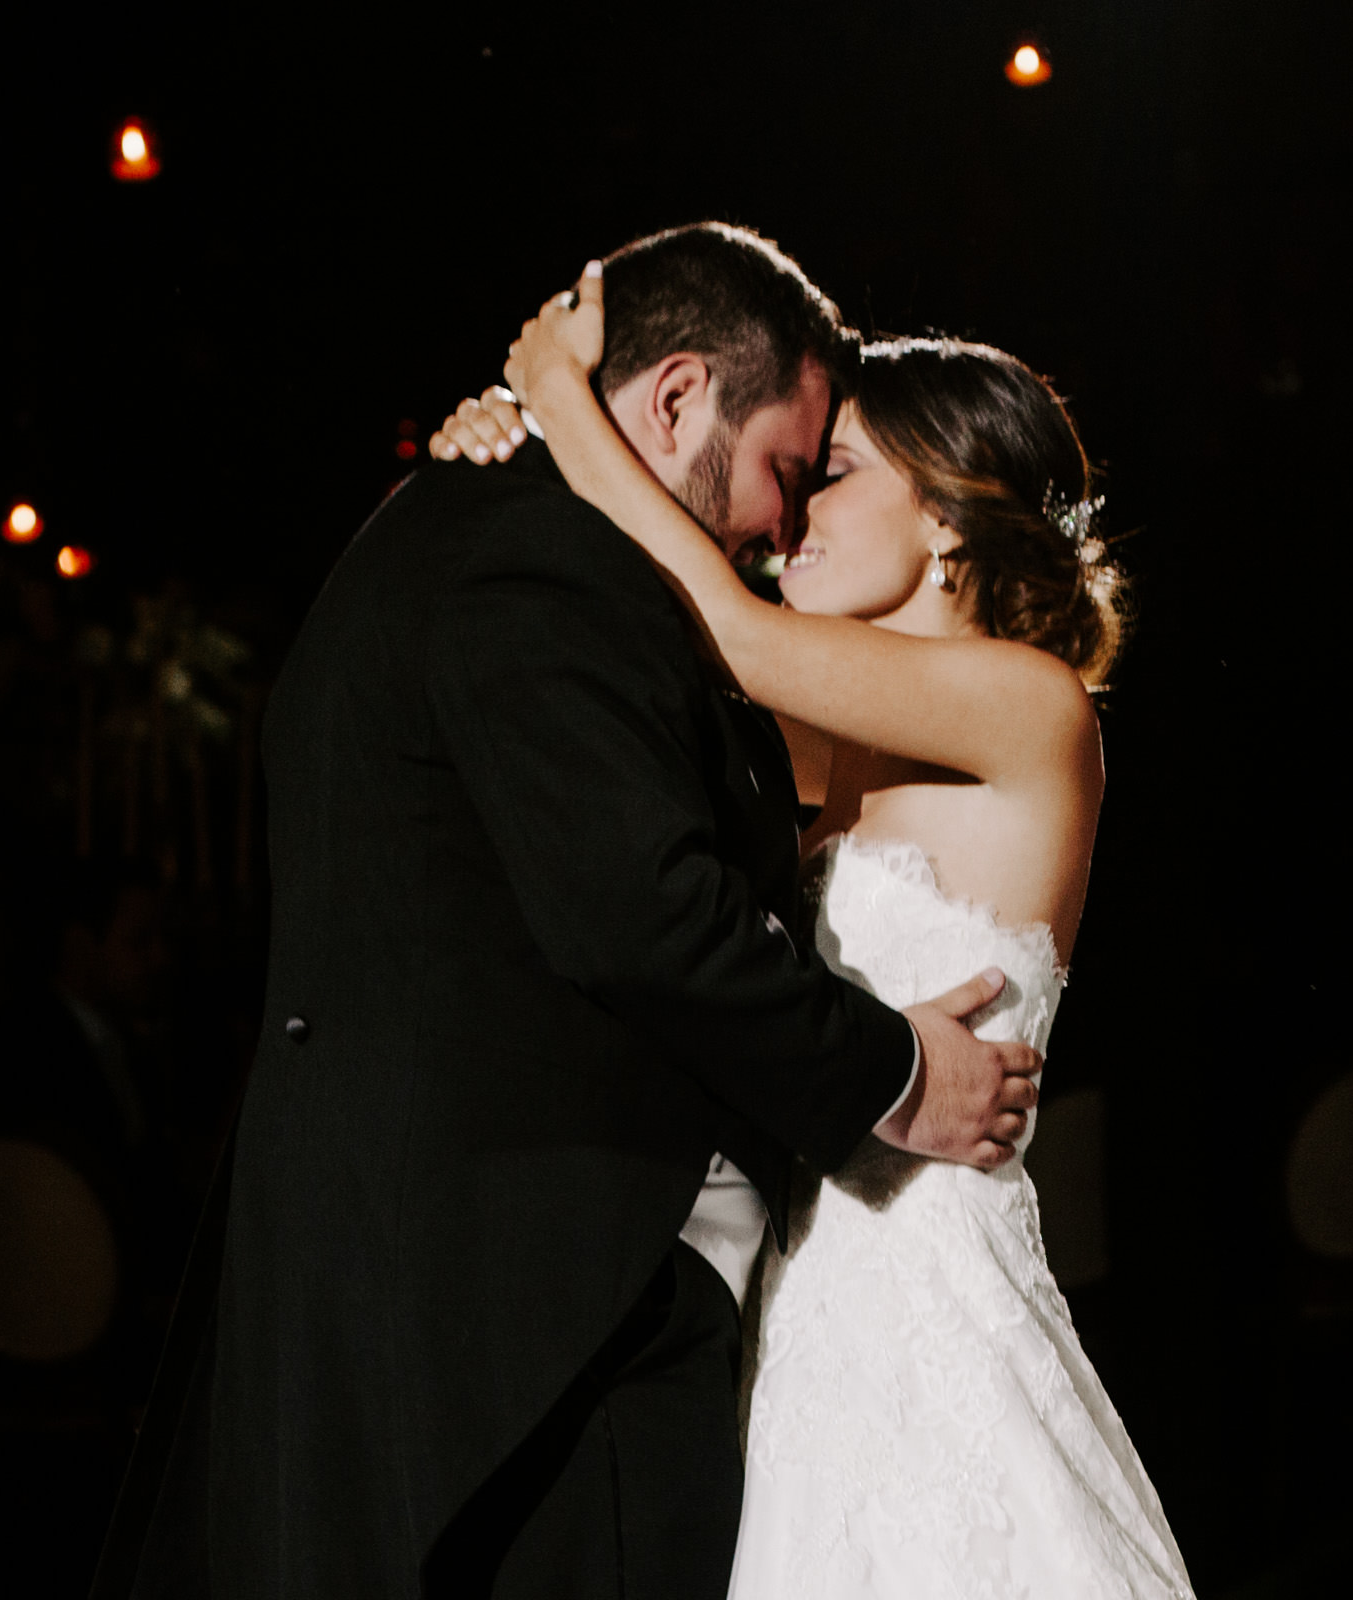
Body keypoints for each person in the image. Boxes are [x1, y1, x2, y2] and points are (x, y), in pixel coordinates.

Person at [109, 223, 1041, 1600]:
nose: (786, 527)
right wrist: (897, 1073)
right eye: (796, 470)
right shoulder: (537, 557)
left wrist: (560, 419)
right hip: (549, 1317)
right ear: (673, 400)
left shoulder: (515, 539)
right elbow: (645, 918)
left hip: (599, 1310)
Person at [426, 263, 1195, 1597]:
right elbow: (646, 665)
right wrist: (500, 467)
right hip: (798, 1316)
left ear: (953, 513)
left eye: (826, 473)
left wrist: (558, 393)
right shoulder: (829, 744)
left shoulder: (1031, 709)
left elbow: (717, 627)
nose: (784, 513)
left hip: (932, 1308)